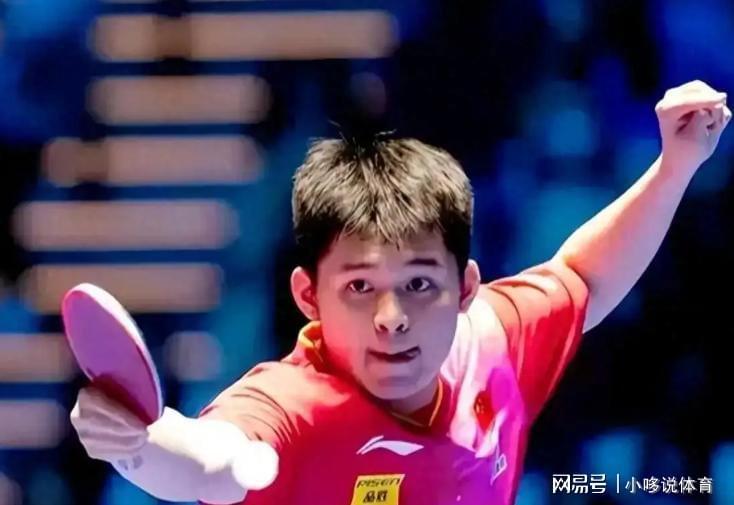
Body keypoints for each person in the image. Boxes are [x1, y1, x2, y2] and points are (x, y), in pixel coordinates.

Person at [70, 80, 731, 505]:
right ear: (309, 297)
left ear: (465, 287)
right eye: (359, 287)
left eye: (419, 283)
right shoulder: (291, 403)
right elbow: (214, 461)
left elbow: (585, 276)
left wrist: (676, 166)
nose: (393, 317)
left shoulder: (490, 344)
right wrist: (137, 444)